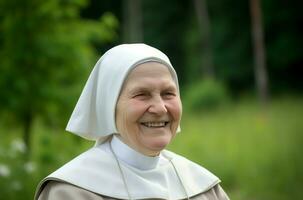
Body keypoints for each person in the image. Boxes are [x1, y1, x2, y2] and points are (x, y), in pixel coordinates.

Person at [34, 43, 230, 200]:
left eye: (168, 93)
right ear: (109, 106)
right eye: (142, 94)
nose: (160, 108)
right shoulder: (70, 192)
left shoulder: (203, 188)